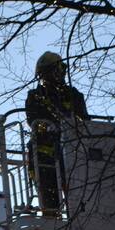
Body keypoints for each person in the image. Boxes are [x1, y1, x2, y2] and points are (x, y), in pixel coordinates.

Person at [24, 51, 89, 215]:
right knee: (49, 193)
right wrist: (51, 128)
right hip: (46, 155)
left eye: (61, 69)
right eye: (55, 69)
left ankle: (81, 212)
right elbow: (34, 121)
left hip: (74, 152)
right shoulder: (35, 96)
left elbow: (85, 122)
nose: (59, 73)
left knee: (80, 191)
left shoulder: (73, 95)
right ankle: (51, 212)